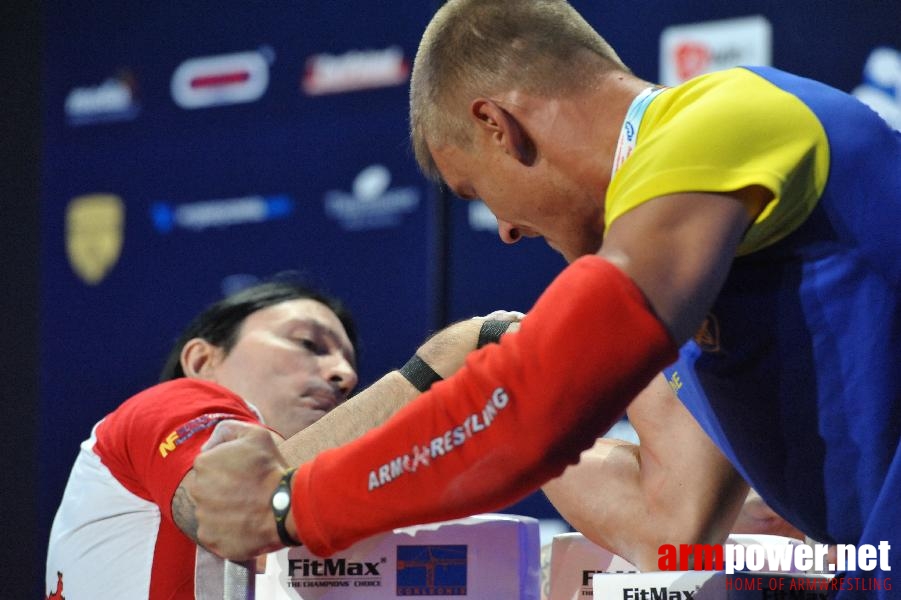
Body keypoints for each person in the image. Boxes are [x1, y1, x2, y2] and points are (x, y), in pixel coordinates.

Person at [188, 0, 900, 596]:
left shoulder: (724, 116)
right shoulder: (687, 265)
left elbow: (539, 403)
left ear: (498, 125)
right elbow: (671, 525)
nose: (500, 229)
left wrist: (287, 504)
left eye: (474, 190)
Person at [45, 276, 519, 598]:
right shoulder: (168, 404)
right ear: (202, 359)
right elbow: (229, 503)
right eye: (308, 344)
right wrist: (430, 370)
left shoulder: (327, 524)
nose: (343, 374)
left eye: (350, 364)